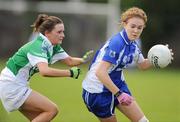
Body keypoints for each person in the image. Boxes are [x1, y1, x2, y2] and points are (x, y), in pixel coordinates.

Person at [0, 14, 93, 122]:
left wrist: (85, 59)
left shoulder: (53, 45)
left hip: (14, 85)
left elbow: (70, 61)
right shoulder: (39, 46)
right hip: (11, 86)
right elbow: (44, 71)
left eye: (63, 31)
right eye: (59, 32)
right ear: (47, 33)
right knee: (52, 110)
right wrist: (70, 73)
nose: (63, 35)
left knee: (39, 118)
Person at [82, 7, 157, 122]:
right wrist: (119, 94)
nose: (136, 31)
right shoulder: (117, 43)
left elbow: (143, 65)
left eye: (139, 28)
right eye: (133, 26)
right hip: (97, 91)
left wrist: (158, 58)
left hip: (117, 85)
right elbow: (100, 72)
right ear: (124, 24)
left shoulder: (133, 45)